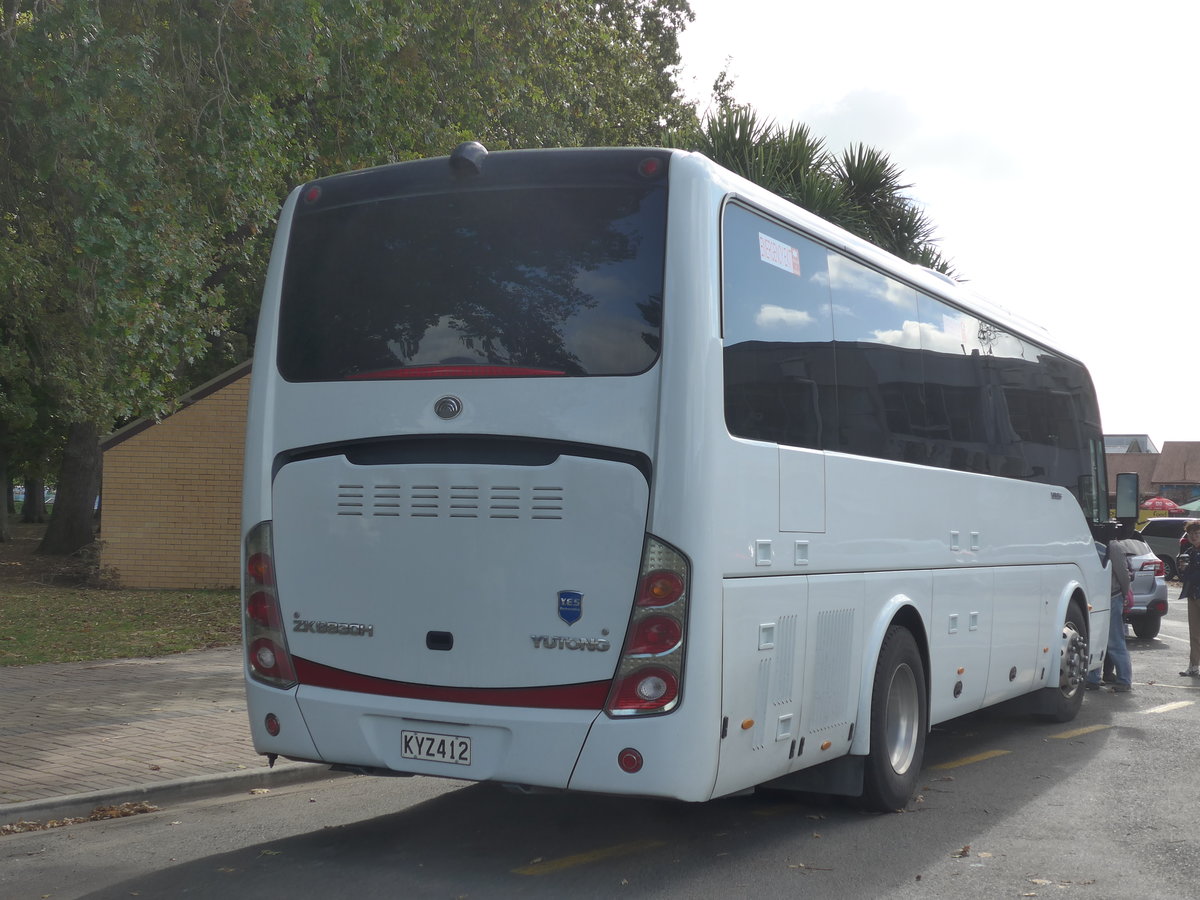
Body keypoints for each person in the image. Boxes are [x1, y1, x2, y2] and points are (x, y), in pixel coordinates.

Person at [1087, 538, 1134, 693]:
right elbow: (1123, 573)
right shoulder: (1113, 545)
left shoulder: (1108, 545)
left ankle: (1121, 679)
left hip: (1107, 596)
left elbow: (1123, 573)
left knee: (1111, 640)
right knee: (1104, 639)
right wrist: (1125, 592)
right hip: (1108, 595)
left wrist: (1124, 593)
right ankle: (1097, 678)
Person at [1177, 521, 1200, 677]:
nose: (1194, 537)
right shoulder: (1189, 552)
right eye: (1191, 534)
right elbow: (1183, 576)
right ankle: (1193, 665)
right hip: (1193, 595)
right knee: (1194, 633)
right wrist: (1182, 569)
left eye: (1197, 533)